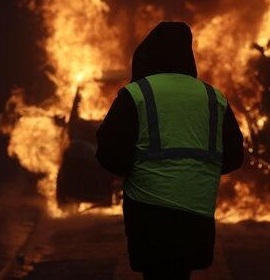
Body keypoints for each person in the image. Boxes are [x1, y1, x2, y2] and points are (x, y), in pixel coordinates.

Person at [95, 21, 244, 280]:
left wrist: (137, 172)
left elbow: (110, 153)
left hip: (148, 211)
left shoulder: (136, 94)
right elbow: (234, 156)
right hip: (197, 211)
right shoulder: (214, 97)